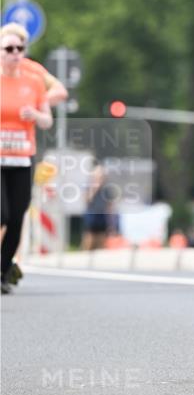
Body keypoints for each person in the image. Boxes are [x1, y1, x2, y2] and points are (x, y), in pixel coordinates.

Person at [0, 23, 68, 285]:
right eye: (9, 48)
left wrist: (37, 114)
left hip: (22, 156)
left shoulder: (33, 78)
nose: (16, 53)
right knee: (2, 214)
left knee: (17, 216)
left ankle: (3, 268)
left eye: (20, 48)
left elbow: (49, 115)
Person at [81, 162, 113, 250]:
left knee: (101, 239)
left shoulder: (106, 189)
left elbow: (109, 206)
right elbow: (86, 199)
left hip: (102, 216)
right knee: (90, 239)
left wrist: (110, 222)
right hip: (92, 215)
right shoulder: (89, 186)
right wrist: (95, 188)